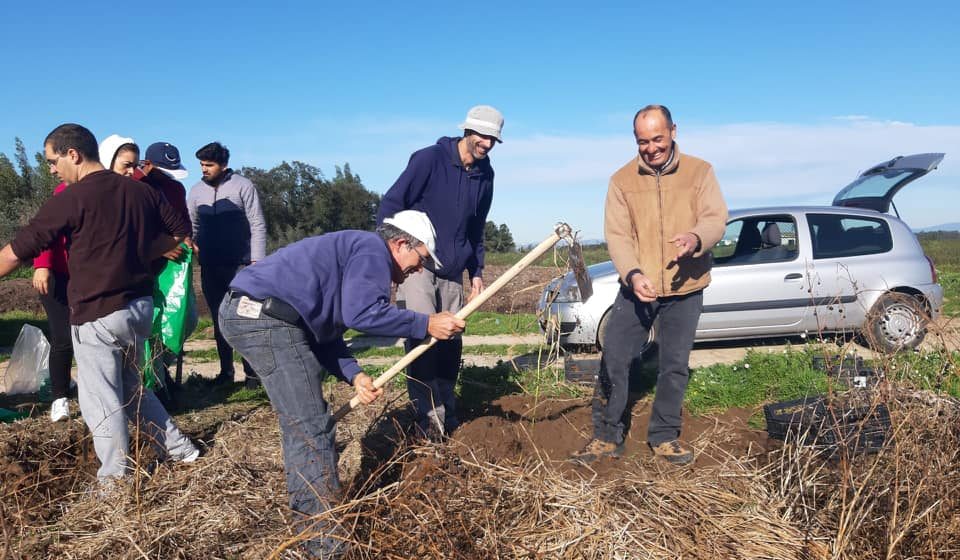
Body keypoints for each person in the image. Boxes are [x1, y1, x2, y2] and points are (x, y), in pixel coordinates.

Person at [219, 210, 465, 557]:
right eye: (420, 258)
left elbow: (324, 329)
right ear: (399, 244)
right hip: (262, 317)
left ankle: (311, 529)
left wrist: (355, 374)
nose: (419, 269)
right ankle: (324, 546)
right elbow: (362, 314)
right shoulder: (371, 249)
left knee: (307, 426)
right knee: (310, 429)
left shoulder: (354, 253)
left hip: (265, 316)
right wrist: (426, 324)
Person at [0, 124, 200, 483]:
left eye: (52, 160)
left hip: (98, 312)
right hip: (138, 311)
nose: (51, 169)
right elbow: (178, 234)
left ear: (73, 154)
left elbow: (17, 252)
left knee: (102, 402)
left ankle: (116, 482)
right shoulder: (141, 192)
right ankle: (180, 449)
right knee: (130, 389)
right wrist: (141, 249)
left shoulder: (71, 197)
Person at [574, 105, 728, 465]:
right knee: (614, 358)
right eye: (643, 141)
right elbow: (618, 235)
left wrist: (695, 237)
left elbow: (715, 218)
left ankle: (663, 435)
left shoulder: (700, 172)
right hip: (637, 288)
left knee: (673, 365)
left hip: (686, 286)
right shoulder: (622, 181)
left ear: (674, 131)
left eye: (658, 138)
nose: (651, 147)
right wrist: (633, 274)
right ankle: (607, 435)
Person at [375, 104, 502, 437]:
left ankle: (448, 410)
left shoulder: (485, 176)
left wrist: (476, 271)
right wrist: (388, 256)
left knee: (450, 343)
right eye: (483, 136)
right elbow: (391, 205)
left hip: (453, 273)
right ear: (467, 131)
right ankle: (428, 419)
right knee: (423, 339)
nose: (487, 145)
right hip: (419, 268)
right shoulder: (429, 159)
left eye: (493, 140)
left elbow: (477, 228)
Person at [187, 141, 266, 388]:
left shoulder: (244, 186)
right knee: (218, 318)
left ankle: (252, 374)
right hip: (210, 264)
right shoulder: (196, 191)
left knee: (244, 317)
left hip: (241, 264)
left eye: (209, 165)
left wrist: (257, 261)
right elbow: (192, 226)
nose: (204, 169)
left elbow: (257, 224)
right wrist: (193, 246)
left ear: (224, 165)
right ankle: (225, 371)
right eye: (201, 164)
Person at [32, 180, 73, 422]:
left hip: (87, 276)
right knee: (63, 337)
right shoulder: (64, 193)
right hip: (57, 275)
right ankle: (60, 398)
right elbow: (45, 233)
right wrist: (42, 265)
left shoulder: (105, 190)